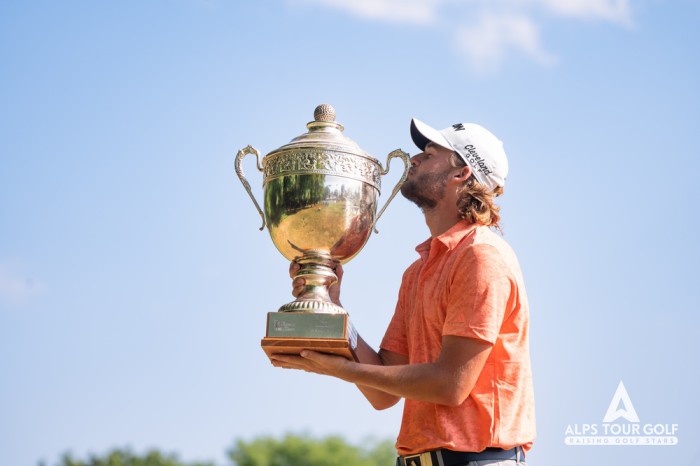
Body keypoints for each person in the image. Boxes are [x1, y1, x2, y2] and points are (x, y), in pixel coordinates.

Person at [271, 117, 536, 466]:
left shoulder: (481, 257)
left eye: (428, 154)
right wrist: (334, 311)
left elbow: (449, 385)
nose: (414, 160)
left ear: (462, 174)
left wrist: (339, 370)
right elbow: (383, 392)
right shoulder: (419, 270)